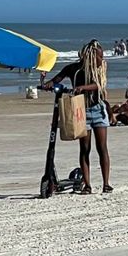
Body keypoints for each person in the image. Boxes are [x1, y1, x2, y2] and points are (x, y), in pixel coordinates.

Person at [45, 40, 113, 194]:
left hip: (98, 110)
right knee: (85, 148)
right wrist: (49, 83)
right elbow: (58, 77)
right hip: (81, 111)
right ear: (90, 56)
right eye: (99, 57)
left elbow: (99, 85)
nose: (101, 60)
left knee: (102, 148)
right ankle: (87, 184)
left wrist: (82, 88)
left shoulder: (98, 70)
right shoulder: (74, 69)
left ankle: (106, 183)